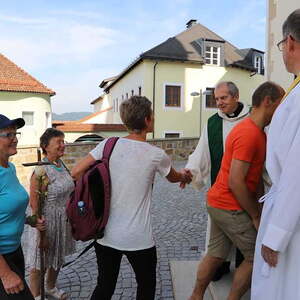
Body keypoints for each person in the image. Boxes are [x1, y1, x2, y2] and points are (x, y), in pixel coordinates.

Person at [71, 96, 192, 300]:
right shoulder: (156, 154)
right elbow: (173, 178)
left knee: (104, 286)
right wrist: (185, 177)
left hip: (106, 233)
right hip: (139, 238)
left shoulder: (108, 144)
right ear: (147, 120)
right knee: (146, 287)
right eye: (152, 115)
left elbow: (76, 172)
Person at [189, 82, 285, 300]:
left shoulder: (253, 129)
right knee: (256, 256)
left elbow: (256, 175)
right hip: (229, 205)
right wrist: (255, 215)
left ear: (236, 97)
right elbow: (236, 181)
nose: (282, 110)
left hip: (218, 202)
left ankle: (195, 296)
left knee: (215, 254)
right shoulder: (249, 133)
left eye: (224, 98)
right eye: (280, 105)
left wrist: (261, 207)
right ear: (267, 102)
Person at [251, 9, 300, 300]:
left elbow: (297, 171)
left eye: (281, 46)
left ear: (290, 43)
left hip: (291, 219)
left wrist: (276, 234)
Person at [186, 81, 250, 280]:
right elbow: (201, 151)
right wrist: (190, 171)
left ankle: (243, 264)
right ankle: (220, 264)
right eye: (216, 99)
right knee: (218, 230)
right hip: (221, 190)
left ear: (236, 96)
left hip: (246, 188)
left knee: (245, 229)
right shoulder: (213, 122)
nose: (219, 103)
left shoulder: (252, 118)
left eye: (224, 98)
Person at [26, 128, 75, 300]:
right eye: (58, 142)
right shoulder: (41, 171)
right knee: (40, 262)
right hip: (46, 221)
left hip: (63, 220)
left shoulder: (61, 164)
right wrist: (42, 234)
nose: (63, 145)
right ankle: (36, 294)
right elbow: (34, 205)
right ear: (46, 147)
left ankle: (51, 287)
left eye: (64, 141)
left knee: (57, 256)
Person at [0, 114, 44, 300]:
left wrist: (29, 220)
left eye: (15, 133)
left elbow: (7, 208)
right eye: (8, 134)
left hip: (14, 251)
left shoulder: (9, 168)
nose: (15, 138)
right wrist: (5, 273)